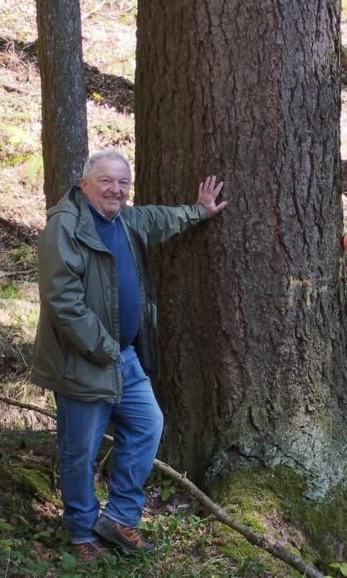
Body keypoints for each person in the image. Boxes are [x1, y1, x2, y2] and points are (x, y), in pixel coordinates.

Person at [31, 150, 226, 562]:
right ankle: (82, 532)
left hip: (124, 357)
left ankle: (119, 517)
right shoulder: (65, 227)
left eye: (123, 182)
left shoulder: (124, 220)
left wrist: (198, 211)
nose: (115, 190)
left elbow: (158, 219)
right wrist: (105, 349)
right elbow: (63, 304)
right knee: (80, 450)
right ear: (84, 183)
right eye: (106, 180)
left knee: (147, 424)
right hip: (83, 360)